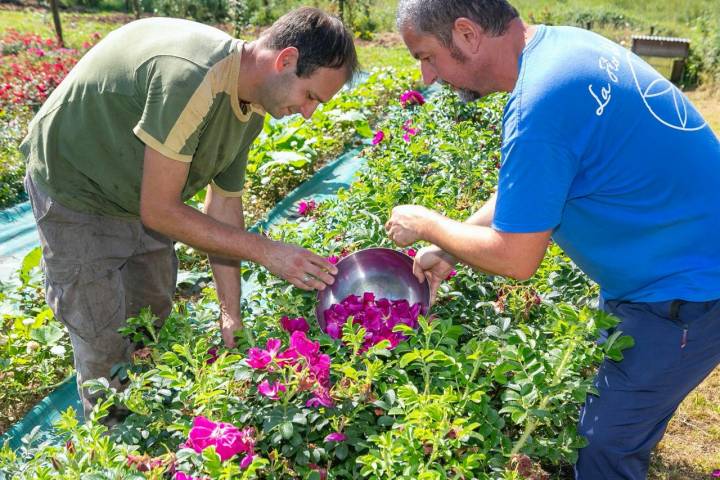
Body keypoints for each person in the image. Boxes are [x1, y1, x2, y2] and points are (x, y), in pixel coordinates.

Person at [384, 1, 720, 478]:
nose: (427, 78)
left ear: (466, 33)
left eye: (427, 56)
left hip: (687, 291)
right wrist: (451, 246)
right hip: (676, 257)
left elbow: (517, 259)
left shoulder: (540, 103)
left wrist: (430, 223)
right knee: (616, 412)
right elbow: (533, 186)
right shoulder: (561, 49)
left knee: (604, 445)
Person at [21, 7, 356, 419]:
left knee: (150, 314)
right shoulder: (193, 77)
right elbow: (160, 211)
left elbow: (225, 204)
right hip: (78, 187)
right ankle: (108, 442)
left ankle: (145, 420)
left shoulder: (249, 109)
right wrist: (267, 250)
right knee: (103, 341)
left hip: (140, 189)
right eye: (310, 96)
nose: (308, 113)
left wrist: (230, 314)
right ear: (285, 60)